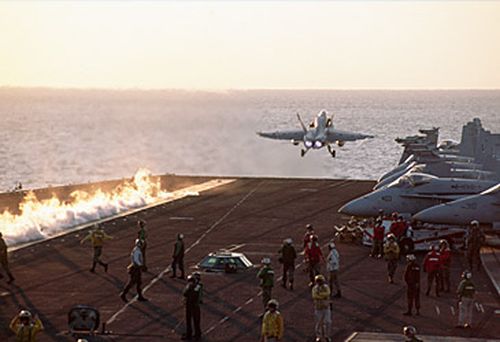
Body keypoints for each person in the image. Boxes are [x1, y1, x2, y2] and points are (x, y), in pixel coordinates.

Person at [181, 274, 203, 340]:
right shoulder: (199, 286)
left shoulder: (193, 286)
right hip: (195, 305)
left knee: (191, 320)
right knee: (195, 320)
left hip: (191, 305)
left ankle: (192, 334)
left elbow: (185, 293)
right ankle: (195, 334)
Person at [311, 274, 331, 342]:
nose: (319, 282)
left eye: (320, 281)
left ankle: (327, 336)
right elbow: (314, 296)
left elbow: (327, 293)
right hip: (318, 308)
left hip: (326, 307)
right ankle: (318, 336)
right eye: (318, 281)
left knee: (328, 322)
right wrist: (322, 296)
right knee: (319, 323)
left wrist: (320, 295)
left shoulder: (326, 287)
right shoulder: (314, 288)